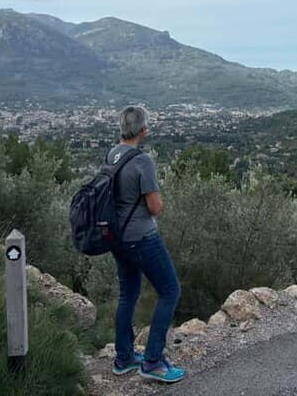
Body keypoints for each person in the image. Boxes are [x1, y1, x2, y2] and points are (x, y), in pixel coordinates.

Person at [108, 106, 186, 384]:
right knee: (170, 290)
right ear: (143, 130)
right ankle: (152, 361)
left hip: (117, 238)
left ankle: (124, 357)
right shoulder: (143, 162)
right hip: (142, 237)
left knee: (127, 295)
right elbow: (155, 207)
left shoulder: (113, 154)